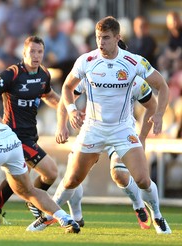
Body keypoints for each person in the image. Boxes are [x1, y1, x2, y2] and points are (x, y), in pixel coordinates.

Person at [28, 16, 171, 234]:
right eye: (98, 38)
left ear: (117, 38)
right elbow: (67, 88)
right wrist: (72, 112)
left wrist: (159, 115)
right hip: (93, 128)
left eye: (105, 38)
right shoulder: (87, 61)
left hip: (123, 129)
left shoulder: (134, 62)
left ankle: (158, 216)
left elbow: (162, 86)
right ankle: (51, 216)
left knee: (141, 179)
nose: (101, 43)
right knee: (72, 179)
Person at [0, 36, 61, 221]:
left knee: (18, 178)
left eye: (40, 51)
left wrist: (69, 110)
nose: (36, 55)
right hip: (15, 137)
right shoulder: (12, 74)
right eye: (32, 51)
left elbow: (50, 96)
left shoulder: (44, 74)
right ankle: (34, 201)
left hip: (31, 134)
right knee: (51, 172)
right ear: (24, 53)